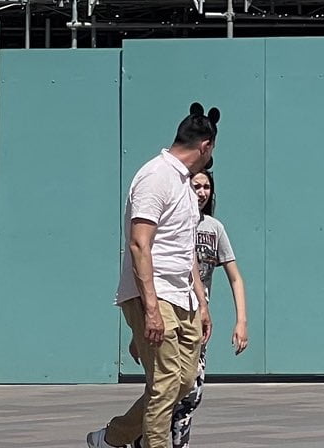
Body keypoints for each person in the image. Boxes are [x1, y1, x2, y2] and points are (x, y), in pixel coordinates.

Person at [90, 103, 220, 448]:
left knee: (183, 382)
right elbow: (139, 244)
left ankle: (112, 438)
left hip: (183, 296)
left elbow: (185, 250)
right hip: (154, 293)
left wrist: (202, 303)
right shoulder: (155, 176)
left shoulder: (185, 185)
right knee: (165, 384)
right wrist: (149, 310)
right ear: (205, 145)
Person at [168, 167, 250, 448]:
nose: (202, 192)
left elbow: (235, 277)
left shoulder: (214, 229)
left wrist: (241, 321)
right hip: (172, 314)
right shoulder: (172, 225)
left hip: (199, 322)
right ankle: (130, 434)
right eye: (196, 186)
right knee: (168, 388)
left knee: (192, 393)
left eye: (206, 187)